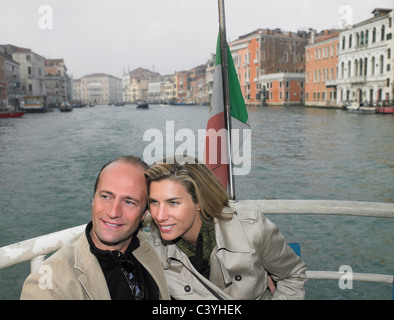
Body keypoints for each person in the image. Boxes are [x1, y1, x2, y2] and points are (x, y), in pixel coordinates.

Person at [145, 156, 307, 300]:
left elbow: (292, 276)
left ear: (200, 202)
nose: (159, 216)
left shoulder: (252, 232)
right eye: (154, 202)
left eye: (173, 203)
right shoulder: (152, 251)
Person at [21, 155, 170, 300]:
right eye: (106, 196)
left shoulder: (156, 247)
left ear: (144, 213)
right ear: (93, 200)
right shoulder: (50, 286)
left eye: (129, 202)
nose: (113, 212)